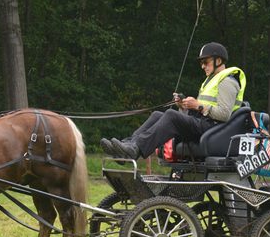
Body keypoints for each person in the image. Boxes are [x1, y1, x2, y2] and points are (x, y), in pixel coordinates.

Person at [101, 42, 247, 160]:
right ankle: (128, 146)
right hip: (203, 124)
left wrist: (198, 105)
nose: (202, 66)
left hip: (214, 130)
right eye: (202, 63)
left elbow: (224, 114)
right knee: (158, 115)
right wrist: (184, 107)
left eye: (205, 62)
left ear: (218, 61)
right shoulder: (211, 80)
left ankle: (134, 149)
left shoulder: (227, 81)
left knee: (171, 115)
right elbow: (201, 110)